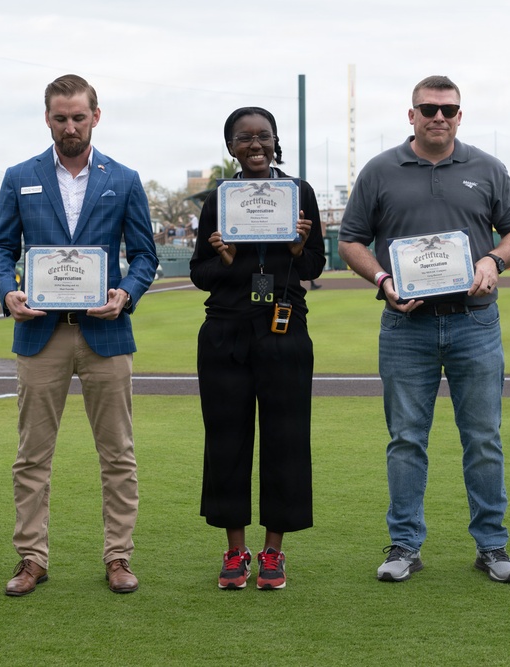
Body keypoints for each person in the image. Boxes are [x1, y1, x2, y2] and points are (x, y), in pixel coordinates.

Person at [338, 75, 510, 584]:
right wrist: (381, 279)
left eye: (448, 109)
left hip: (475, 322)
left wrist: (492, 260)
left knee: (484, 438)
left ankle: (492, 546)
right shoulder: (380, 171)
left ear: (460, 115)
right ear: (412, 114)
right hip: (406, 325)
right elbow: (351, 240)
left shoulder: (488, 168)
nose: (438, 117)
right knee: (405, 439)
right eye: (428, 108)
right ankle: (404, 545)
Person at [0, 74, 157, 597]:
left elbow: (145, 256)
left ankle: (118, 557)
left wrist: (125, 295)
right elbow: (0, 250)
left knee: (118, 454)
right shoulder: (20, 177)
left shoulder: (124, 178)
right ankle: (31, 558)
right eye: (60, 118)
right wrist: (8, 291)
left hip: (106, 333)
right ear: (47, 119)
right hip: (40, 335)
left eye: (78, 117)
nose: (70, 127)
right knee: (32, 455)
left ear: (96, 117)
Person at [190, 107, 325, 591]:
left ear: (275, 141)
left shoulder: (298, 193)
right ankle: (234, 551)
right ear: (231, 146)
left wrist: (294, 250)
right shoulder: (218, 199)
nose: (255, 145)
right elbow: (200, 273)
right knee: (227, 440)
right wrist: (226, 260)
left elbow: (316, 263)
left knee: (286, 440)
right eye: (244, 138)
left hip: (284, 328)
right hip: (226, 329)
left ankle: (273, 552)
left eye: (263, 136)